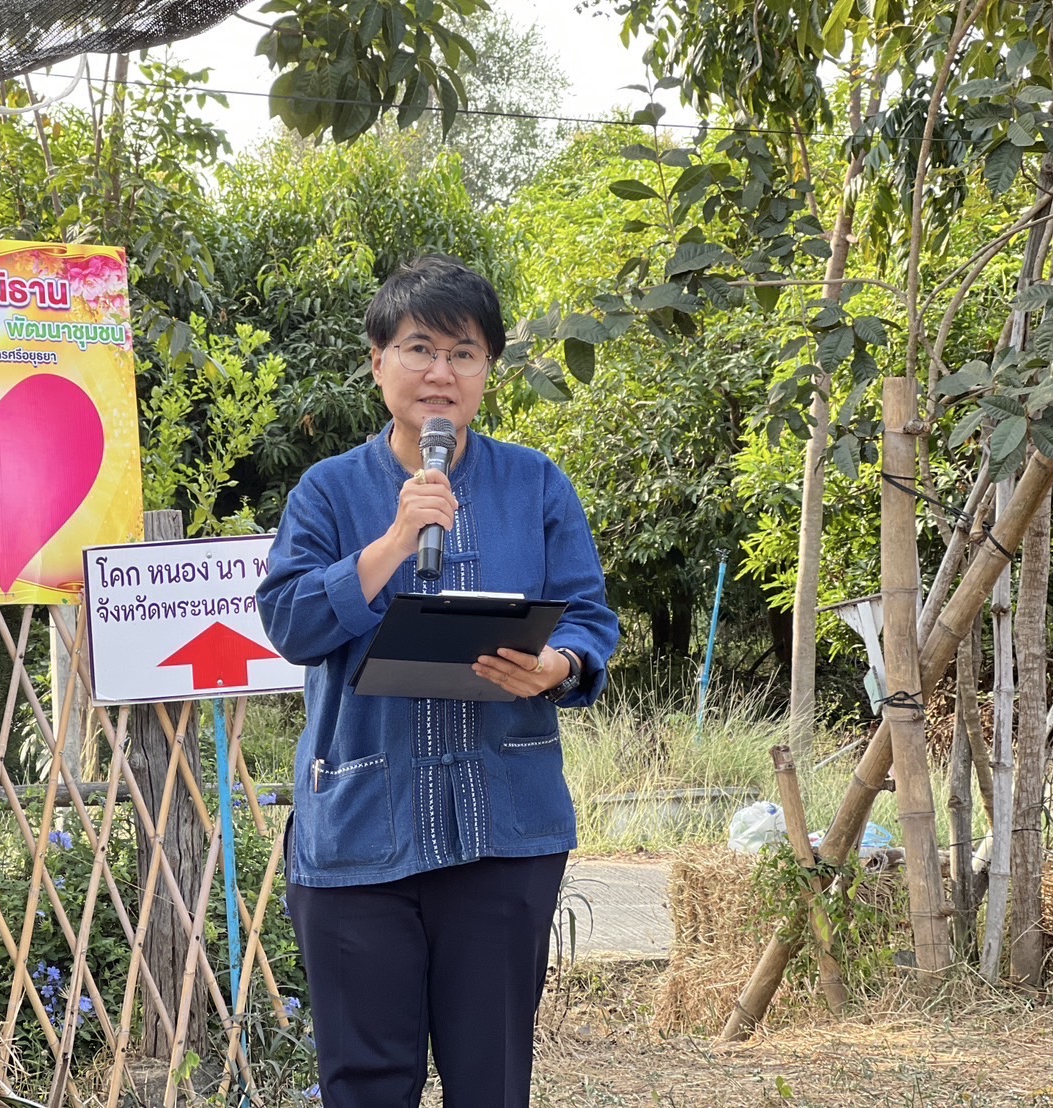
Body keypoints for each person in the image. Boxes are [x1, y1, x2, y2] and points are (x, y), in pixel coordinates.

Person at [256, 255, 620, 1108]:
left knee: (491, 1081)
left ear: (487, 370)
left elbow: (586, 616)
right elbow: (291, 623)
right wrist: (393, 541)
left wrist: (557, 664)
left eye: (463, 353)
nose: (439, 373)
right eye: (419, 348)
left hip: (505, 833)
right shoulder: (327, 491)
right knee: (366, 1084)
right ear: (377, 361)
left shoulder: (535, 483)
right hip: (358, 833)